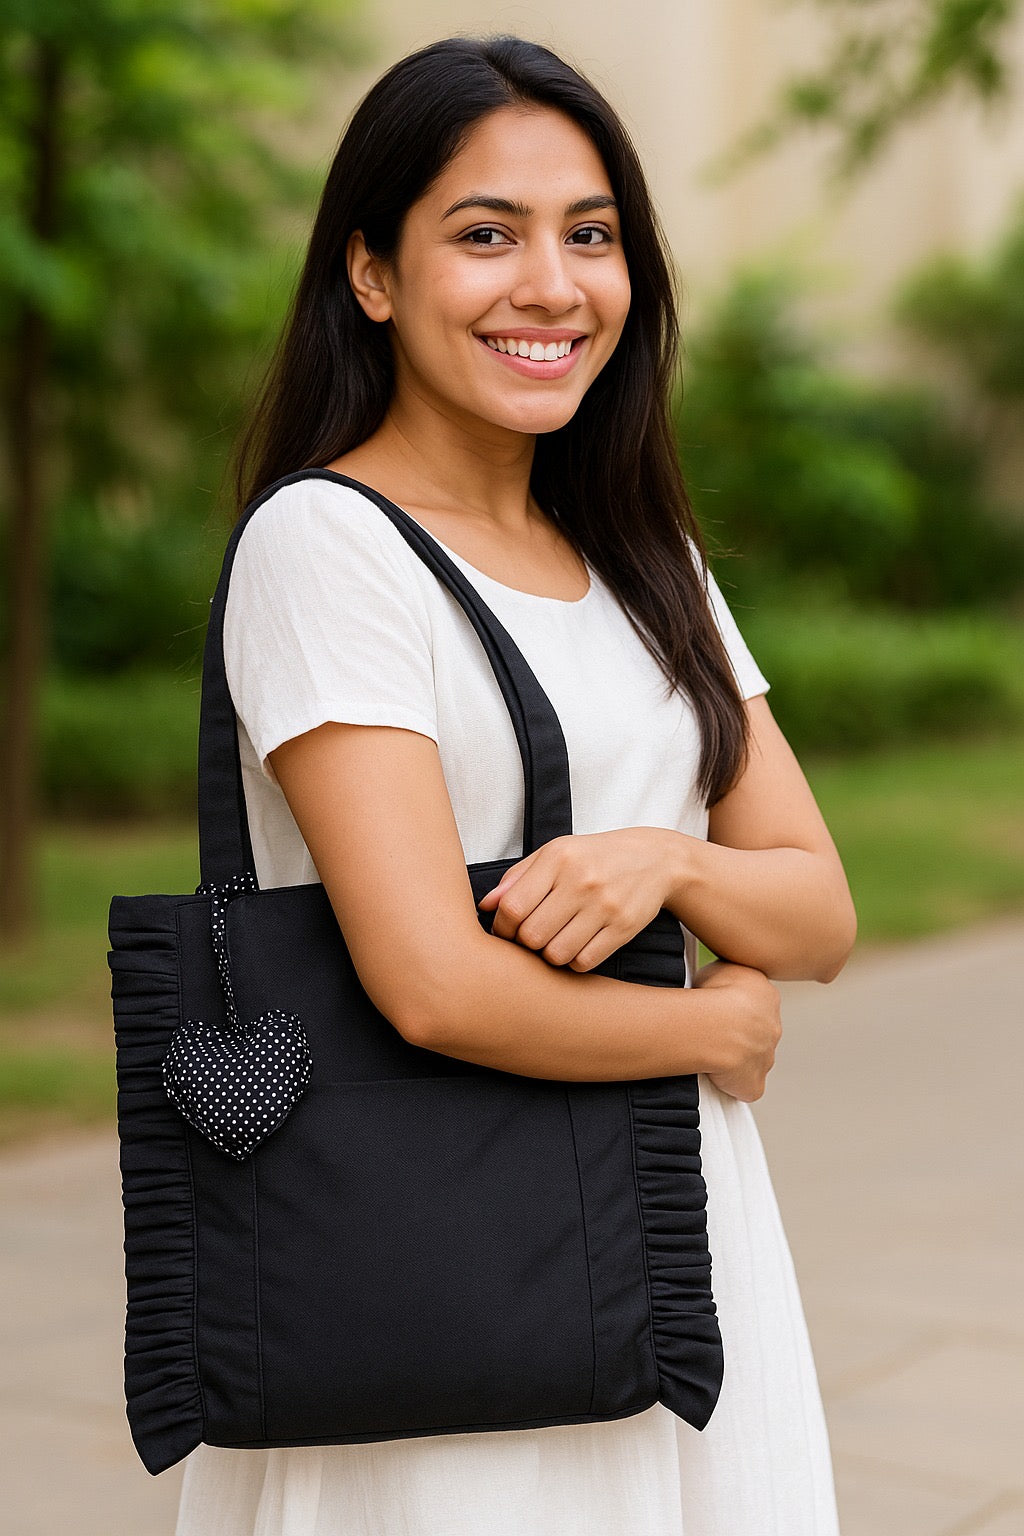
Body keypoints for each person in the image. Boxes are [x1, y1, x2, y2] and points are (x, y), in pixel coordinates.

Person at [174, 34, 856, 1536]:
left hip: (681, 1225)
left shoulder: (645, 556)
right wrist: (705, 1024)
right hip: (439, 1256)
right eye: (486, 234)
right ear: (371, 272)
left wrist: (665, 867)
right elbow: (428, 984)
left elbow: (815, 909)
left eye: (591, 234)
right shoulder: (327, 546)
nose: (551, 285)